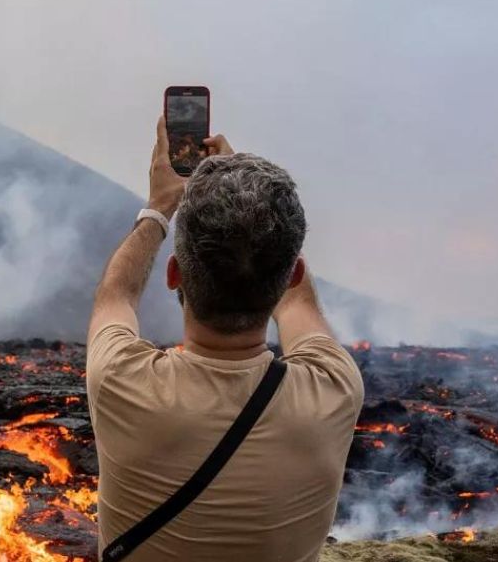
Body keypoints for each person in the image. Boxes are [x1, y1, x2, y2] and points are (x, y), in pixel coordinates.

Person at [86, 115, 364, 561]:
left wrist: (160, 206)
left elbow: (115, 294)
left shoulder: (121, 381)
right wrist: (258, 216)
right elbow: (299, 304)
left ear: (174, 274)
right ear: (290, 274)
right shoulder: (334, 386)